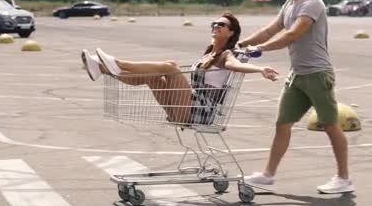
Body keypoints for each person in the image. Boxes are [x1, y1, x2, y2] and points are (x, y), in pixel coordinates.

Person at [238, 0, 354, 194]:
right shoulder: (290, 3)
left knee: (331, 125)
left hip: (317, 75)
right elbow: (270, 30)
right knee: (283, 124)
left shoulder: (312, 3)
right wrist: (242, 42)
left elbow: (292, 34)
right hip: (298, 75)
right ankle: (268, 175)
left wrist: (260, 50)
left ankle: (344, 179)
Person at [81, 12, 279, 125]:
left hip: (200, 110)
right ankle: (103, 69)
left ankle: (117, 63)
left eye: (222, 24)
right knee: (154, 77)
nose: (216, 25)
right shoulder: (208, 54)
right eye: (215, 23)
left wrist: (259, 69)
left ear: (231, 32)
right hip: (183, 107)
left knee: (171, 66)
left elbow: (235, 66)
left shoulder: (226, 55)